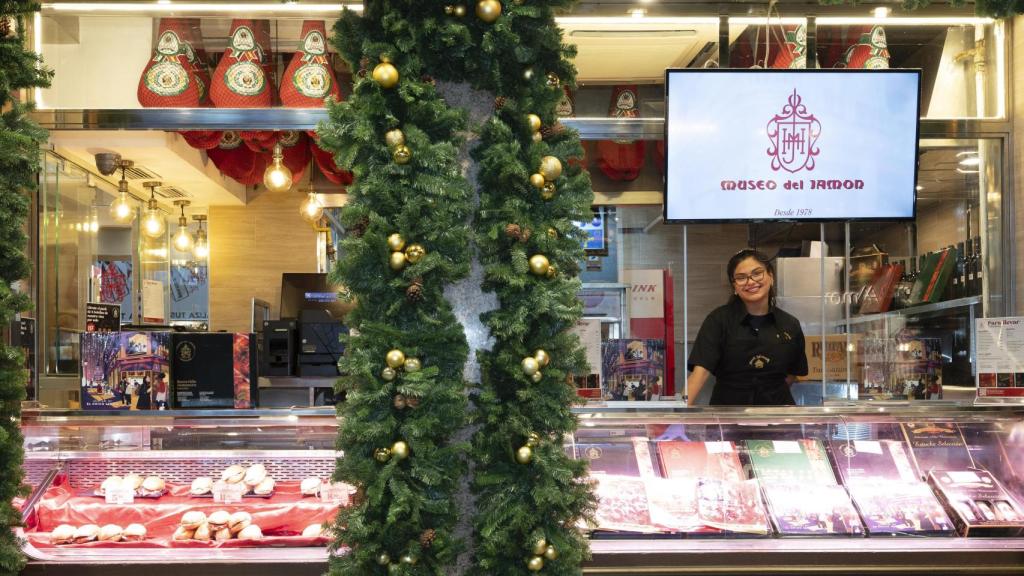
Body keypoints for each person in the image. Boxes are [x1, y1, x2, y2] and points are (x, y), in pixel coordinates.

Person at [686, 249, 809, 406]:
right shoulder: (718, 320)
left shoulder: (790, 324)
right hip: (728, 416)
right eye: (741, 278)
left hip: (778, 418)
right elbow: (700, 373)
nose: (750, 282)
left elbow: (792, 373)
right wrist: (671, 418)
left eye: (757, 273)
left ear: (771, 276)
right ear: (734, 286)